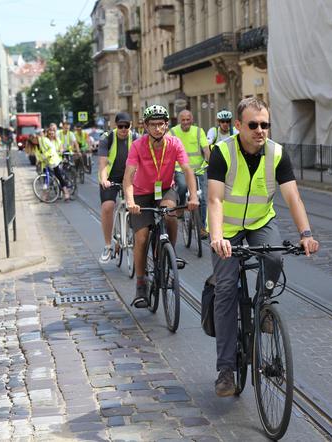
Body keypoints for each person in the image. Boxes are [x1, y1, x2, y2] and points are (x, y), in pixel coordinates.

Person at [207, 97, 320, 397]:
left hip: (260, 221)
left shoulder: (277, 154)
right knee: (227, 289)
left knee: (275, 258)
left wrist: (305, 233)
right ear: (238, 126)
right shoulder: (222, 152)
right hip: (227, 229)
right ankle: (226, 369)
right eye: (253, 125)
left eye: (265, 124)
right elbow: (215, 200)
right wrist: (217, 236)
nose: (260, 130)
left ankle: (263, 306)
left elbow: (293, 197)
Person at [123, 105, 199, 308]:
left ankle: (169, 254)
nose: (158, 128)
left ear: (167, 125)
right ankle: (141, 284)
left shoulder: (174, 143)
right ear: (146, 126)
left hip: (164, 190)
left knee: (170, 214)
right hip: (141, 194)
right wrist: (130, 201)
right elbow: (128, 177)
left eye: (161, 124)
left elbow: (187, 170)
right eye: (153, 125)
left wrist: (193, 196)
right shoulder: (138, 146)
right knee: (141, 237)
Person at [98, 112, 135, 263]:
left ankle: (131, 235)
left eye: (127, 126)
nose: (124, 129)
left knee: (135, 205)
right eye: (121, 126)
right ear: (116, 126)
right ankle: (108, 246)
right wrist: (104, 179)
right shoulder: (107, 138)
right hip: (111, 178)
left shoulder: (136, 138)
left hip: (130, 178)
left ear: (130, 126)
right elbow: (102, 163)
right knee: (108, 206)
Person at [169, 110, 210, 238]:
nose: (185, 122)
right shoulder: (173, 132)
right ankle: (181, 207)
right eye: (183, 120)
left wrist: (210, 162)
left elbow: (206, 150)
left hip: (198, 169)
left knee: (202, 198)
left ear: (192, 120)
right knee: (181, 186)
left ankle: (202, 227)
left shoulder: (198, 131)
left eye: (188, 119)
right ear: (179, 120)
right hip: (180, 169)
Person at [39, 123, 72, 201]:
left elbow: (61, 147)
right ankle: (45, 196)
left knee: (59, 176)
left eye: (52, 133)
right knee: (46, 178)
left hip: (56, 160)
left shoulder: (57, 140)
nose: (51, 134)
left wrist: (60, 150)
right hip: (47, 161)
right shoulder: (45, 140)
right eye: (50, 133)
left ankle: (66, 193)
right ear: (47, 133)